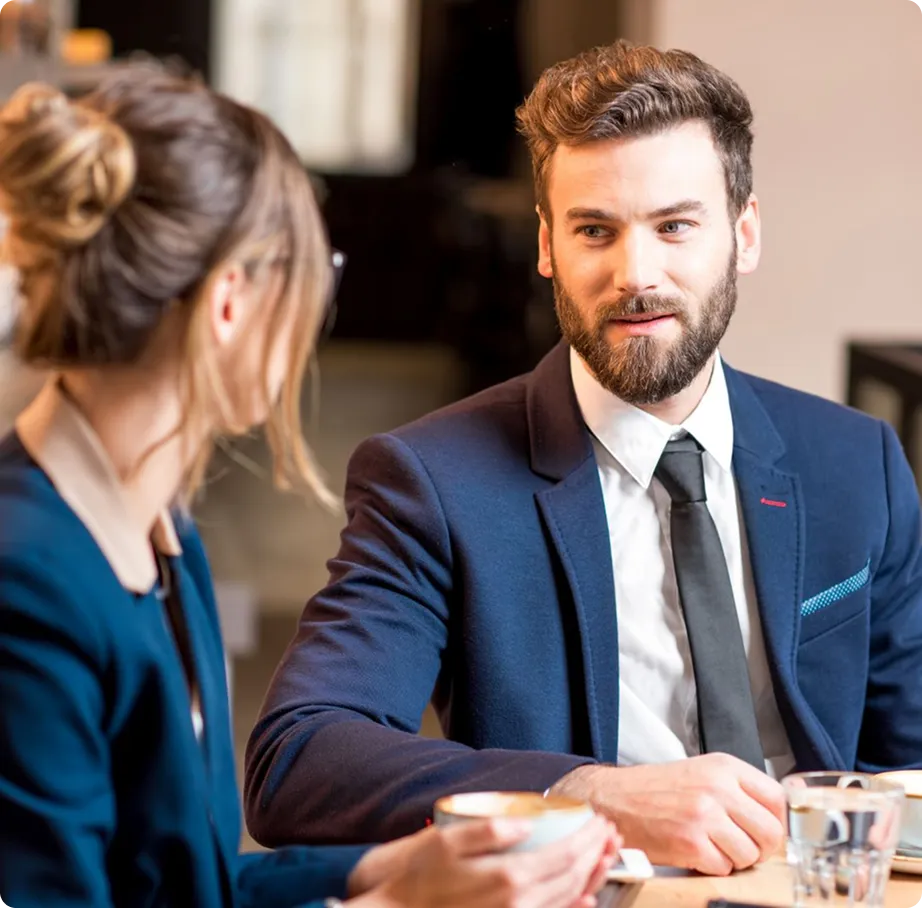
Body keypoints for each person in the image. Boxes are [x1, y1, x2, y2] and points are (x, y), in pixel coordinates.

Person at [244, 39, 922, 876]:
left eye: (676, 226)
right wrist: (592, 794)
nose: (636, 274)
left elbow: (909, 764)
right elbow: (298, 762)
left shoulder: (857, 463)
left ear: (744, 235)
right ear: (547, 246)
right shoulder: (433, 481)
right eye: (595, 230)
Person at [0, 64, 619, 908]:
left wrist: (393, 868)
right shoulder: (27, 583)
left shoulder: (160, 538)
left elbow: (187, 887)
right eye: (310, 271)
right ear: (228, 302)